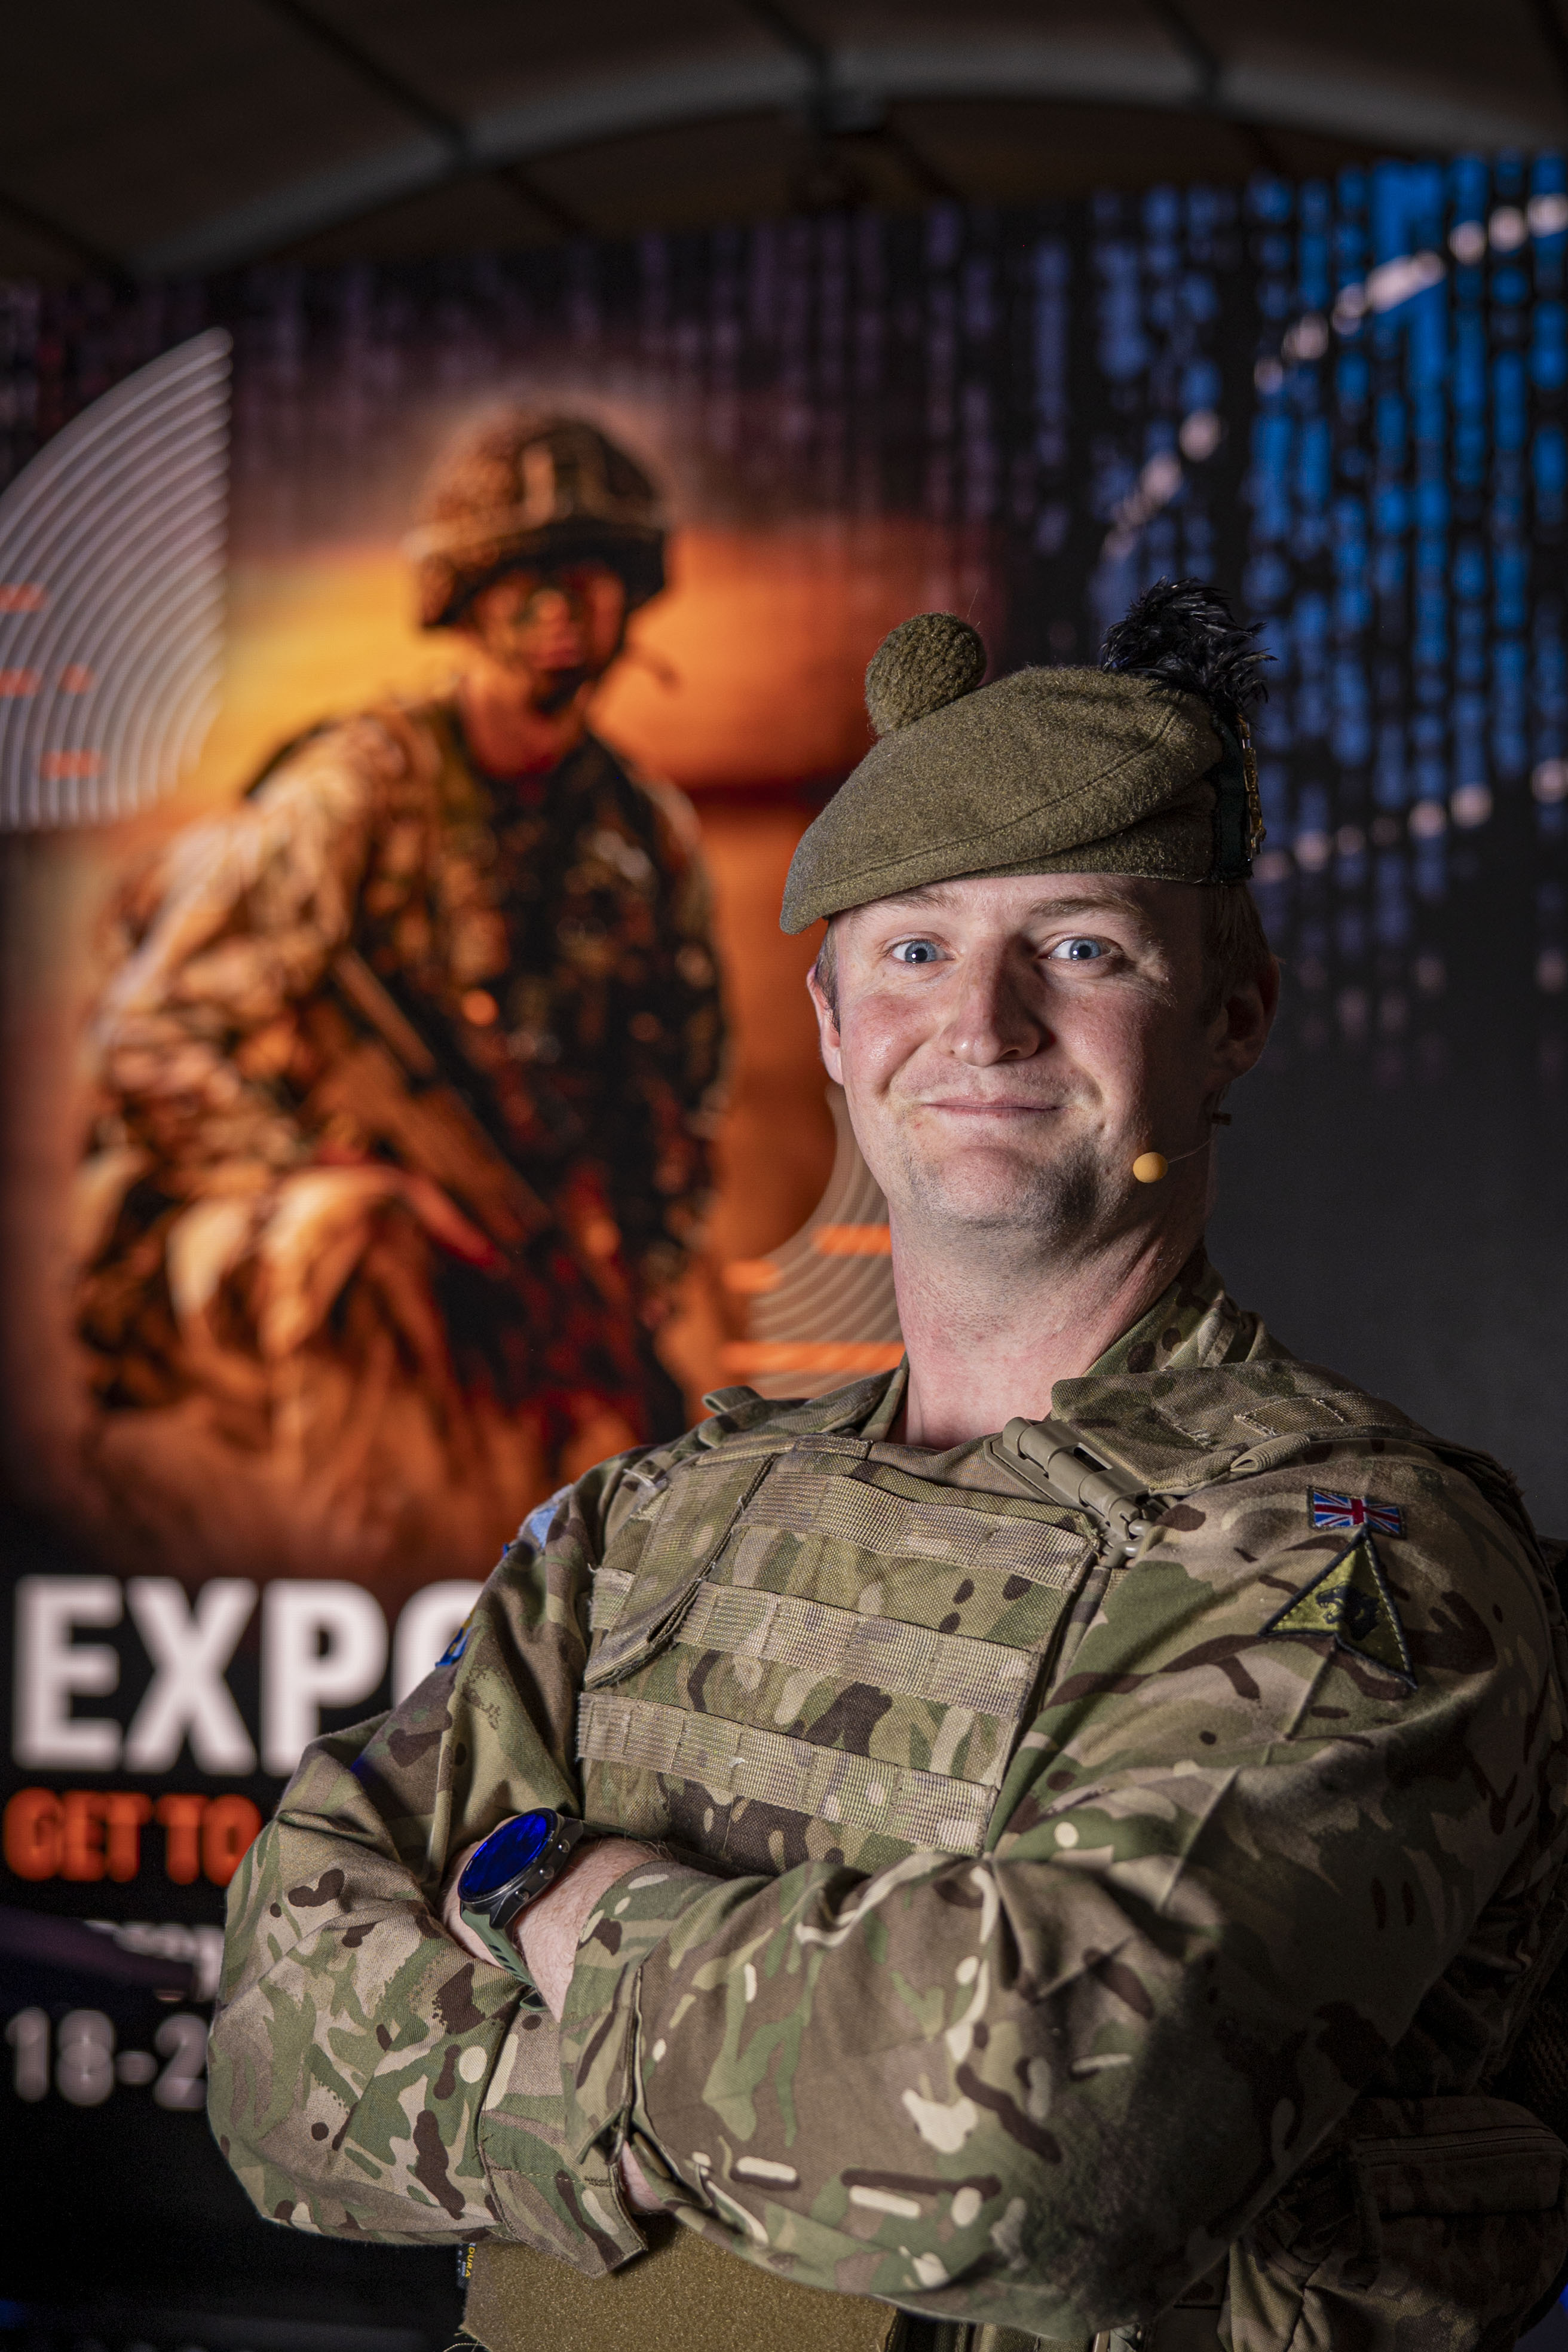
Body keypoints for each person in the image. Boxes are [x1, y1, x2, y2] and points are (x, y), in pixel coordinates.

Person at [209, 583, 1568, 2351]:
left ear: (1235, 1016)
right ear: (838, 1027)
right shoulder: (647, 1527)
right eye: (915, 950)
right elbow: (267, 2050)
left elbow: (1039, 2147)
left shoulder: (1351, 1554)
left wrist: (556, 1900)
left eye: (1082, 948)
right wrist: (808, 2049)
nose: (984, 1024)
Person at [74, 412, 724, 1587]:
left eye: (588, 576)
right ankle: (354, 1600)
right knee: (362, 1248)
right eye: (522, 583)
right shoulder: (354, 791)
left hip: (525, 1245)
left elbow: (676, 1102)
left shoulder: (641, 838)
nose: (561, 611)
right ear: (464, 599)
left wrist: (627, 1266)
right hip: (272, 1219)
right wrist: (328, 1170)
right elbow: (150, 1030)